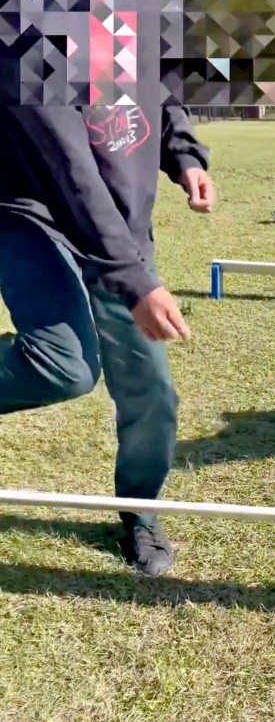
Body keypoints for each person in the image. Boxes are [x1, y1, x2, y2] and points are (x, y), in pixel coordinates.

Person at [0, 101, 216, 577]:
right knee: (65, 365)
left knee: (152, 387)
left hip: (121, 222)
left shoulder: (140, 27)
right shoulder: (27, 33)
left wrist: (185, 156)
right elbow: (67, 162)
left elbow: (160, 93)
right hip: (31, 212)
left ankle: (139, 512)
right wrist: (135, 281)